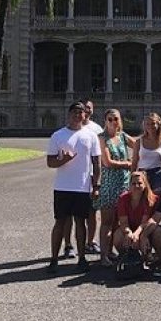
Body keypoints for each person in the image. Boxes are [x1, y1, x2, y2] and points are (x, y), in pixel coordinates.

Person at [46, 101, 102, 273]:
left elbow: (97, 162)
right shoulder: (58, 136)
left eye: (81, 113)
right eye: (75, 112)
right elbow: (50, 162)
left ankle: (82, 258)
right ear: (69, 114)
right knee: (60, 223)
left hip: (82, 186)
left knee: (80, 222)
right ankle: (54, 259)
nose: (78, 115)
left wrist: (96, 185)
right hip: (63, 187)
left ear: (85, 115)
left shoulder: (91, 136)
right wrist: (64, 160)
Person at [62, 98, 104, 257]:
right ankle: (68, 245)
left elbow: (99, 157)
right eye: (83, 109)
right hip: (71, 180)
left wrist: (97, 182)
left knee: (91, 213)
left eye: (88, 108)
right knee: (69, 216)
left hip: (91, 178)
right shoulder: (67, 130)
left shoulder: (96, 129)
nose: (85, 111)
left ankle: (90, 242)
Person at [93, 108, 132, 266]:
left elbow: (140, 145)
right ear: (105, 121)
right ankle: (103, 257)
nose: (113, 122)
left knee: (118, 221)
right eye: (109, 119)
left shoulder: (122, 136)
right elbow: (107, 162)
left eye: (115, 119)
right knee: (107, 222)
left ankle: (110, 252)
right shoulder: (102, 138)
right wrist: (128, 164)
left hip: (124, 184)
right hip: (110, 185)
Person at [115, 171, 157, 260]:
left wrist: (136, 234)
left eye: (139, 183)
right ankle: (126, 256)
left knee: (146, 238)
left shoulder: (150, 199)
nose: (136, 186)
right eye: (133, 183)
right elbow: (123, 222)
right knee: (118, 236)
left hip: (145, 229)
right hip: (130, 227)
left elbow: (144, 223)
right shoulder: (123, 199)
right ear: (129, 185)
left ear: (145, 184)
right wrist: (129, 233)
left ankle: (147, 257)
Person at [131, 112, 161, 196]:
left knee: (157, 201)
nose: (150, 126)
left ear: (158, 124)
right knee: (142, 200)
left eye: (153, 123)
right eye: (147, 124)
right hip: (142, 173)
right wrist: (131, 179)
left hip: (157, 174)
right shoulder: (139, 141)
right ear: (144, 126)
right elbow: (134, 162)